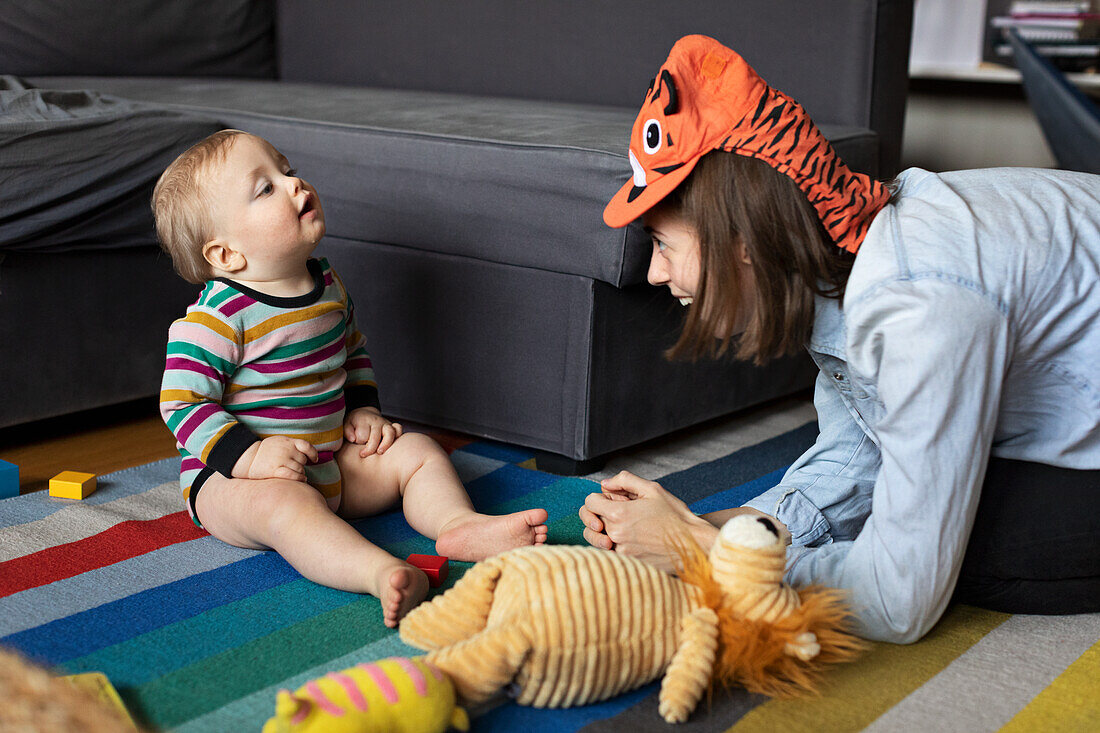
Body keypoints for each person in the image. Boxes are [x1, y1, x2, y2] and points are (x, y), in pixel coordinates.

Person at [580, 35, 1100, 643]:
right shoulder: (844, 263)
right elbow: (864, 444)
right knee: (916, 502)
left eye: (664, 244)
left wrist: (705, 551)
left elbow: (899, 602)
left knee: (969, 546)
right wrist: (739, 524)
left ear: (743, 242)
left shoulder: (918, 307)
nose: (654, 273)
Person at [154, 130, 548, 628]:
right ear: (227, 254)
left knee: (417, 452)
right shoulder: (215, 320)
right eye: (266, 189)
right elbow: (182, 404)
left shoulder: (327, 282)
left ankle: (458, 525)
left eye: (287, 169)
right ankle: (377, 571)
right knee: (285, 506)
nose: (295, 185)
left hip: (329, 463)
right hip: (231, 483)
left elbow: (351, 351)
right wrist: (249, 457)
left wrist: (364, 410)